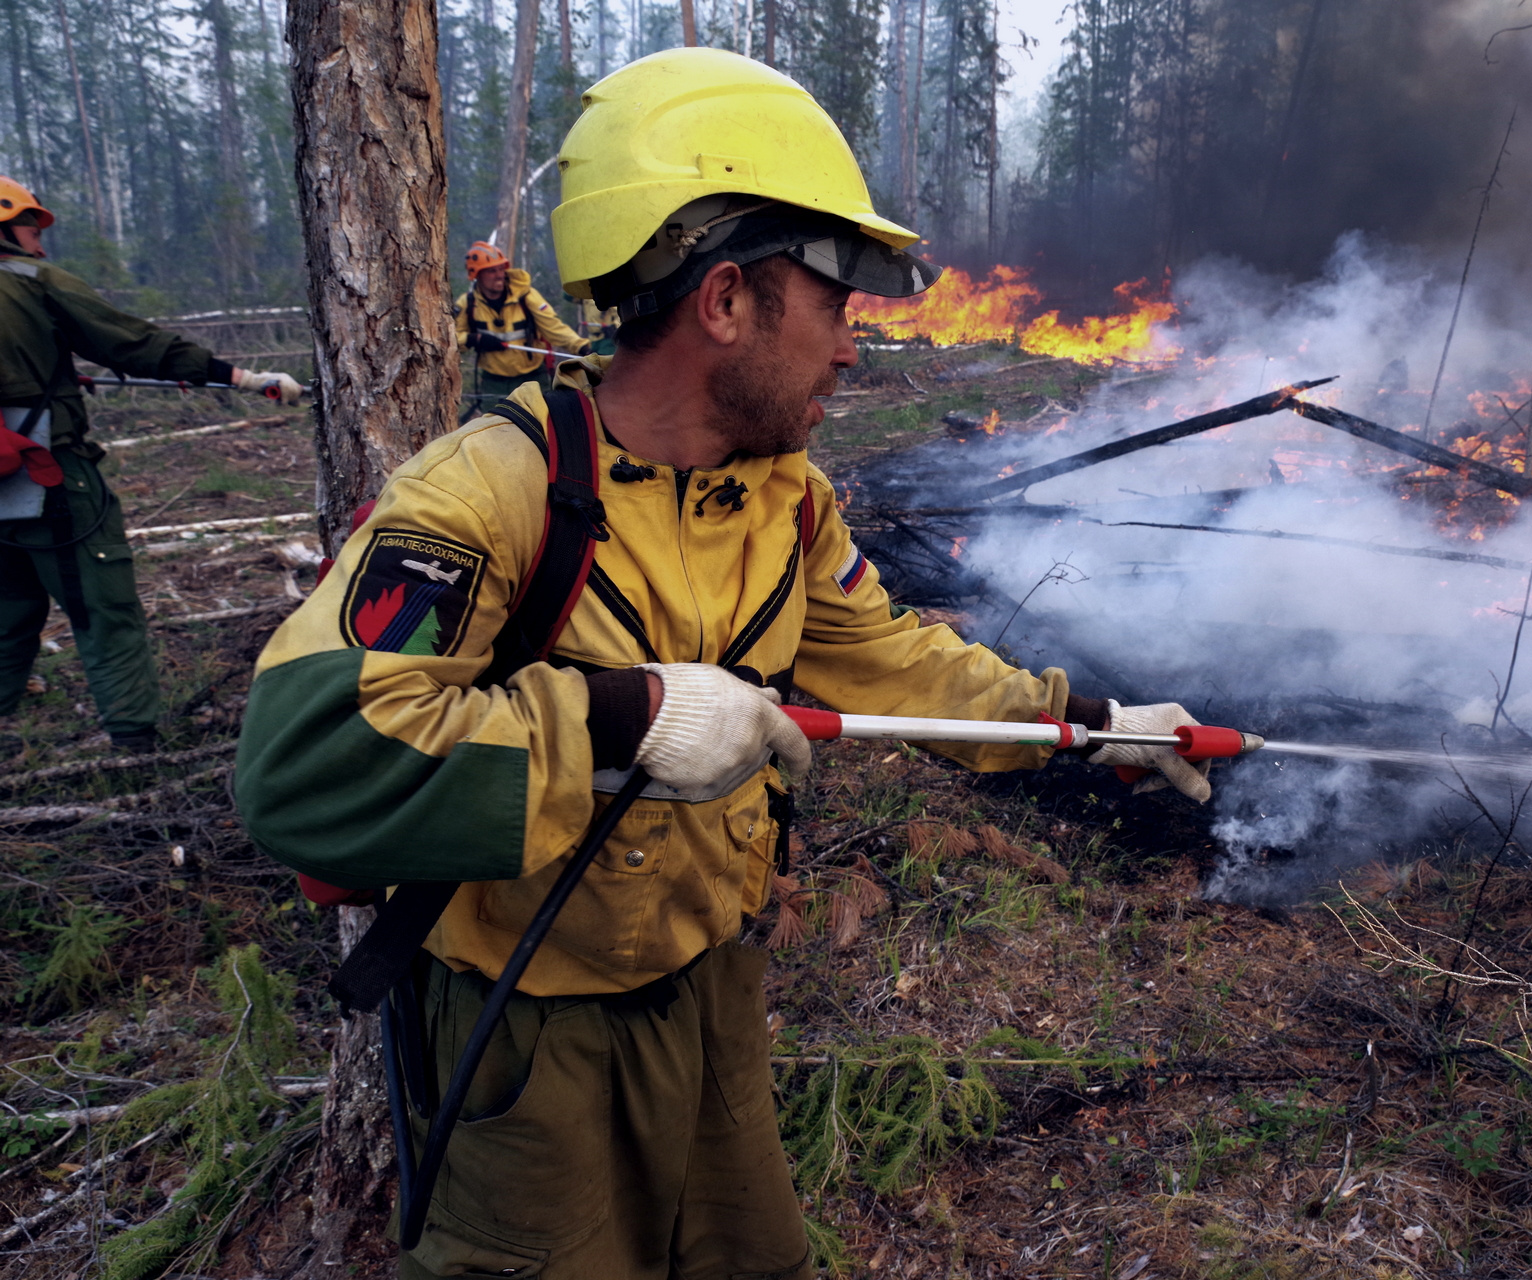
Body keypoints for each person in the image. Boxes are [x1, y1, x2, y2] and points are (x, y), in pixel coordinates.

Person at [234, 49, 1209, 1280]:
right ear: (728, 300)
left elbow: (896, 659)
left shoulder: (785, 501)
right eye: (839, 304)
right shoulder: (491, 489)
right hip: (525, 1034)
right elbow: (304, 762)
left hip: (717, 997)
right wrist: (623, 714)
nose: (852, 350)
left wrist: (1087, 722)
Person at [0, 177, 302, 756]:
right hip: (48, 479)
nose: (40, 241)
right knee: (102, 602)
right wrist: (244, 378)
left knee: (8, 607)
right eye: (31, 228)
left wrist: (53, 375)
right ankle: (135, 741)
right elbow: (134, 343)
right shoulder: (33, 283)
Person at [454, 240, 594, 415]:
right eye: (491, 271)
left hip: (532, 378)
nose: (499, 275)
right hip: (493, 382)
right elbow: (450, 341)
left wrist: (581, 346)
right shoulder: (468, 304)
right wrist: (473, 339)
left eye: (500, 269)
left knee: (542, 427)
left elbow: (553, 327)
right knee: (494, 434)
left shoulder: (526, 297)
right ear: (477, 275)